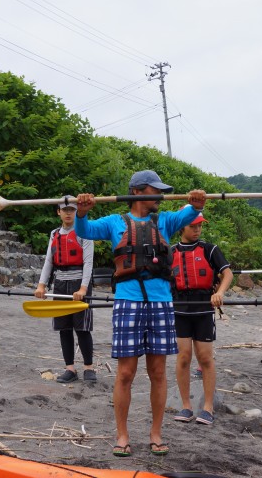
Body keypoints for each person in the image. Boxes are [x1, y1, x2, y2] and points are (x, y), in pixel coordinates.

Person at [74, 170, 206, 458]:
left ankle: (155, 434)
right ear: (136, 192)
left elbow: (189, 212)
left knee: (158, 372)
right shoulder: (114, 223)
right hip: (128, 303)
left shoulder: (166, 221)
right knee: (125, 374)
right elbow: (84, 231)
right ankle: (122, 435)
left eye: (161, 190)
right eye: (153, 189)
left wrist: (197, 203)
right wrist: (81, 213)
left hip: (160, 304)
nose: (159, 194)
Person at [171, 207, 233, 426]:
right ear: (182, 227)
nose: (197, 229)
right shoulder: (171, 252)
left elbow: (227, 273)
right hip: (179, 310)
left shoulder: (209, 249)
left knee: (205, 358)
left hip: (204, 309)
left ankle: (207, 407)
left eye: (199, 225)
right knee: (184, 357)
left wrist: (219, 292)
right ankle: (186, 405)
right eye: (192, 225)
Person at [34, 199, 96, 383]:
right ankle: (70, 369)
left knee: (82, 328)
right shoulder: (54, 234)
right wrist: (41, 285)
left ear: (77, 212)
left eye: (72, 210)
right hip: (60, 283)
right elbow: (48, 262)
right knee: (64, 328)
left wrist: (83, 288)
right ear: (58, 212)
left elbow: (88, 262)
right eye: (65, 209)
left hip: (79, 283)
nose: (68, 213)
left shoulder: (85, 232)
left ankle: (89, 368)